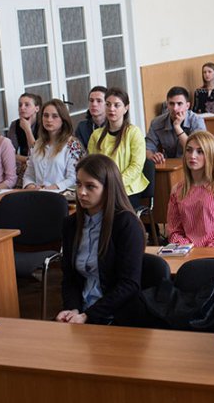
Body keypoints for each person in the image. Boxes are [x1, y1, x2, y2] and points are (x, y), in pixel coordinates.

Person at [56, 154, 146, 325]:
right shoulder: (71, 224)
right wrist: (72, 309)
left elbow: (129, 284)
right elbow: (70, 278)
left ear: (108, 189)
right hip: (81, 312)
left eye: (90, 186)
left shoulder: (126, 224)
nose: (81, 192)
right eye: (79, 184)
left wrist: (88, 316)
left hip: (117, 316)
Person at [165, 131, 214, 247]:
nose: (192, 156)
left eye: (200, 151)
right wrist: (187, 247)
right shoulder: (177, 189)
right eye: (189, 150)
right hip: (187, 251)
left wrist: (211, 249)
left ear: (210, 154)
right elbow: (174, 231)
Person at [87, 88, 148, 204]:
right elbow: (92, 164)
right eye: (108, 104)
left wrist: (114, 184)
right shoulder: (96, 135)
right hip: (103, 188)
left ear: (126, 108)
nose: (111, 109)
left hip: (127, 190)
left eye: (117, 105)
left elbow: (136, 166)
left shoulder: (133, 132)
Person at [24, 99, 84, 191]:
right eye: (46, 115)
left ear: (63, 119)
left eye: (55, 116)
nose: (49, 120)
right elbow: (29, 174)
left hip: (61, 194)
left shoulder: (73, 145)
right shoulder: (36, 145)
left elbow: (74, 177)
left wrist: (54, 187)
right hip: (38, 194)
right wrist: (31, 186)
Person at [146, 86, 207, 164]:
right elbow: (148, 148)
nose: (175, 108)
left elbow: (195, 150)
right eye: (171, 104)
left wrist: (177, 127)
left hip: (194, 164)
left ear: (187, 106)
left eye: (179, 104)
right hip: (170, 165)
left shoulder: (197, 121)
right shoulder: (156, 123)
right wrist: (152, 156)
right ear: (167, 105)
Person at [7, 92, 42, 160]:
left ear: (37, 109)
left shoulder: (43, 124)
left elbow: (37, 154)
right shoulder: (15, 124)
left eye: (27, 105)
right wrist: (26, 160)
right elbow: (9, 153)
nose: (22, 108)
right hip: (24, 162)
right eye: (20, 105)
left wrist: (27, 129)